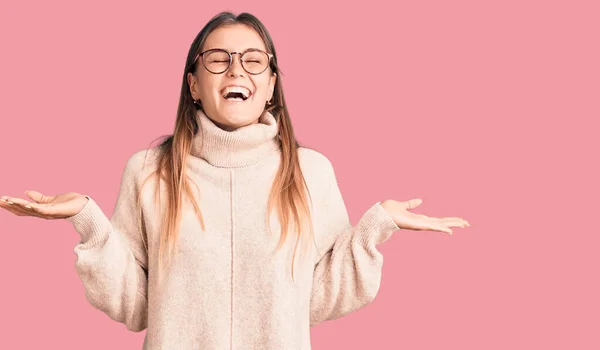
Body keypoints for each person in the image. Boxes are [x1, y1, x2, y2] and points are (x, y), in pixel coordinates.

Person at [0, 11, 469, 349]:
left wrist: (375, 226)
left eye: (252, 60)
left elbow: (316, 299)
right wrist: (89, 220)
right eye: (218, 59)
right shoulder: (149, 172)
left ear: (270, 85)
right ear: (193, 84)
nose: (236, 69)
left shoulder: (310, 173)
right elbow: (138, 306)